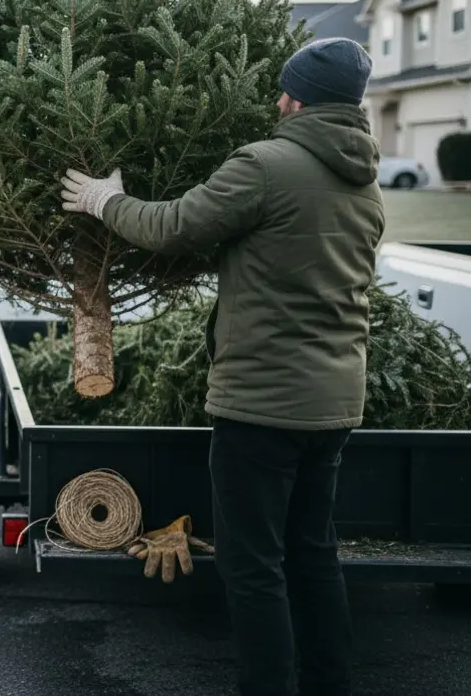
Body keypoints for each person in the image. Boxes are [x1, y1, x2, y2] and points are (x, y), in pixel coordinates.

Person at [59, 37, 384, 696]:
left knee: (252, 565)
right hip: (335, 402)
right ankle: (332, 685)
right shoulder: (365, 180)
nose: (275, 101)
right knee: (314, 554)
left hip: (262, 404)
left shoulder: (267, 165)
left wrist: (105, 202)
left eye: (283, 91)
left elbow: (177, 225)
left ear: (298, 100)